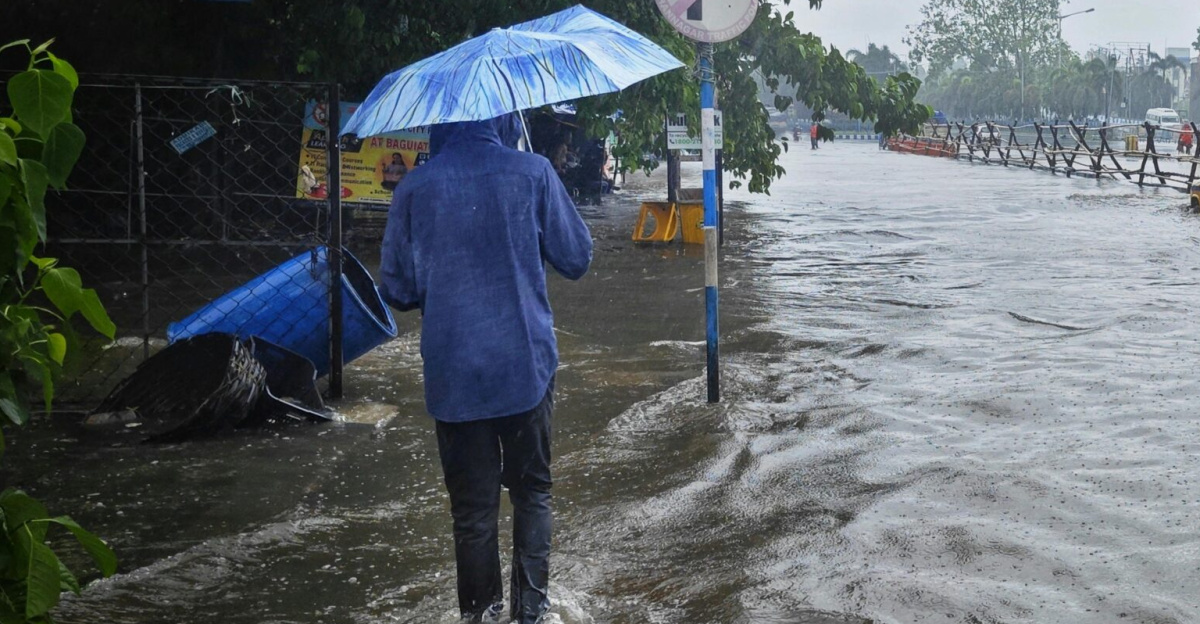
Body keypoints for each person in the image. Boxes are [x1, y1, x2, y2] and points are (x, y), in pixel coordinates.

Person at [379, 112, 593, 624]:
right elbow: (578, 256)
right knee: (532, 494)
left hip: (455, 375)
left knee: (473, 515)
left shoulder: (413, 188)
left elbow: (397, 289)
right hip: (526, 368)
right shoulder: (533, 172)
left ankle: (480, 616)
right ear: (502, 118)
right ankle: (532, 615)